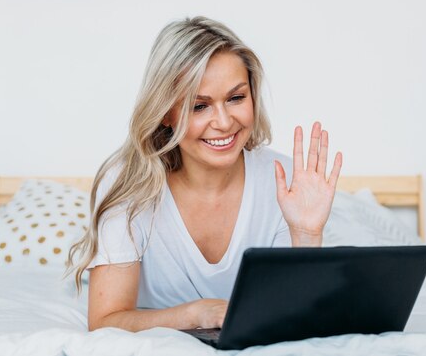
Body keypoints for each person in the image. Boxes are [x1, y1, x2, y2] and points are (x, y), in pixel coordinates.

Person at [66, 16, 343, 332]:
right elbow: (105, 321)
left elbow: (297, 315)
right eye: (200, 106)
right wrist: (197, 314)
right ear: (166, 112)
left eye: (236, 98)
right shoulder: (128, 184)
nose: (224, 122)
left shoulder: (285, 181)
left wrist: (306, 235)